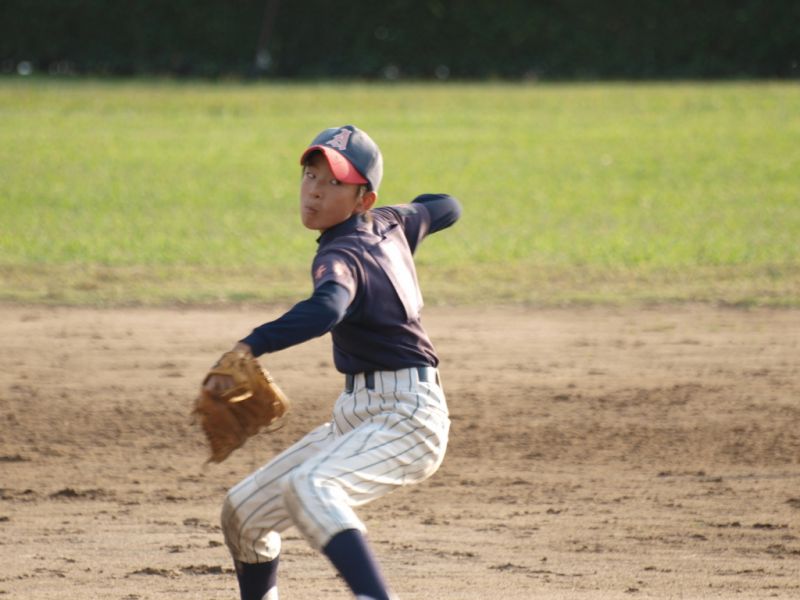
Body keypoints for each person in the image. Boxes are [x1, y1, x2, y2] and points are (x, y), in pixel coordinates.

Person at [208, 124, 462, 600]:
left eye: (334, 182)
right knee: (244, 512)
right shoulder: (392, 222)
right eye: (311, 175)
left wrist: (250, 345)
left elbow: (328, 308)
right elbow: (446, 206)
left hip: (407, 418)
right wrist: (403, 213)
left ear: (363, 199)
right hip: (359, 417)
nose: (315, 191)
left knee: (312, 486)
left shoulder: (343, 252)